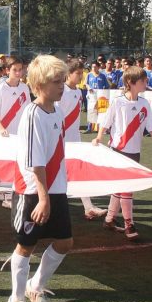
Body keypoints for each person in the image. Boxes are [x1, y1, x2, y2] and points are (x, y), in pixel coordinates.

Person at [5, 55, 73, 302]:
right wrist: (43, 198)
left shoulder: (57, 111)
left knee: (65, 242)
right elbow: (36, 162)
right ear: (40, 85)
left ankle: (35, 286)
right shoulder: (32, 114)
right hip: (33, 191)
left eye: (63, 80)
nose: (62, 86)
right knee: (26, 245)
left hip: (56, 189)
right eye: (56, 81)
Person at [92, 65, 152, 240]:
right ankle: (129, 224)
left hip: (134, 152)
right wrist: (99, 137)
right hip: (118, 151)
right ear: (131, 82)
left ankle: (109, 219)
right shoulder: (118, 102)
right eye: (143, 81)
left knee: (121, 187)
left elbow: (151, 126)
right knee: (127, 188)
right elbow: (106, 122)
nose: (146, 83)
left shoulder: (144, 103)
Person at [57, 59, 107, 220]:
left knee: (79, 172)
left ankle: (88, 207)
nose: (81, 76)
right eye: (78, 73)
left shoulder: (78, 92)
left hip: (74, 139)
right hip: (61, 140)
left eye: (81, 73)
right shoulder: (61, 91)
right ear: (68, 73)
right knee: (58, 173)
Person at [0, 56, 31, 209]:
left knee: (17, 162)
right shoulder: (1, 88)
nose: (18, 73)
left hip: (18, 134)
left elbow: (27, 110)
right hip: (3, 133)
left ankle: (12, 192)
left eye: (20, 70)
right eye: (15, 70)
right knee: (3, 162)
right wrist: (1, 128)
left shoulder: (24, 88)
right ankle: (4, 192)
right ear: (7, 70)